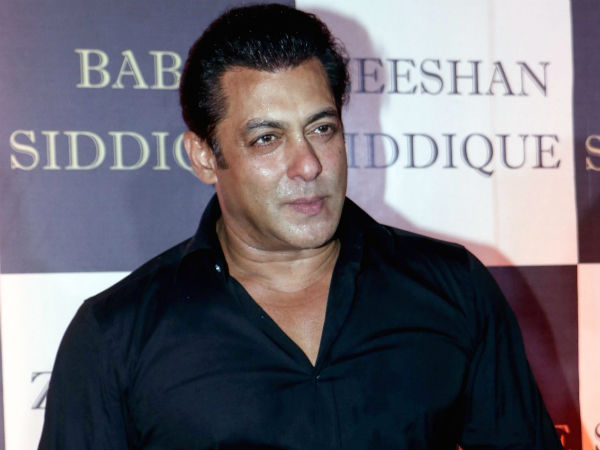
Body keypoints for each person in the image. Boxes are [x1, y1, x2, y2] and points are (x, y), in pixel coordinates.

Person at [39, 4, 563, 449]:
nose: (308, 164)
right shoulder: (116, 336)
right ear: (204, 157)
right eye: (267, 139)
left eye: (322, 128)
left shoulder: (454, 289)